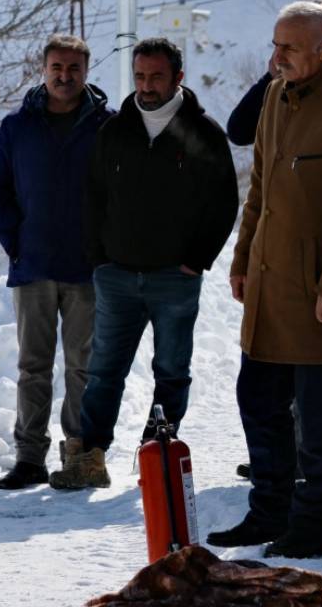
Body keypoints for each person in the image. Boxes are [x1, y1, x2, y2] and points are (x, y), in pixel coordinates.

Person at [207, 2, 322, 559]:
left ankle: (313, 524)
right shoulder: (276, 96)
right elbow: (261, 191)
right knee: (258, 399)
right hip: (270, 286)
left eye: (289, 49)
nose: (275, 59)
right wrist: (242, 256)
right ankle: (269, 510)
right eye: (274, 46)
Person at [49, 38, 238, 490]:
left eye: (156, 77)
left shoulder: (204, 132)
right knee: (104, 371)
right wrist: (100, 258)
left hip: (176, 278)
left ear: (178, 78)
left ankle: (158, 458)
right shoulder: (114, 130)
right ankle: (89, 459)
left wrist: (197, 260)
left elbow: (224, 203)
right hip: (116, 275)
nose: (146, 86)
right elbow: (93, 198)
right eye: (139, 77)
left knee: (172, 370)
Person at [0, 35, 113, 489]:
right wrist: (14, 242)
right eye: (57, 67)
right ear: (43, 70)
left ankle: (78, 457)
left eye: (74, 68)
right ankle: (29, 458)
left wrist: (107, 248)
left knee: (83, 366)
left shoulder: (106, 126)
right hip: (32, 265)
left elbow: (124, 194)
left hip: (87, 268)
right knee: (32, 366)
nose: (65, 76)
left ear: (86, 71)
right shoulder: (17, 127)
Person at [226, 0, 322, 146]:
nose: (278, 57)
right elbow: (239, 133)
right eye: (277, 46)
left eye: (291, 47)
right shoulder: (281, 89)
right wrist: (271, 79)